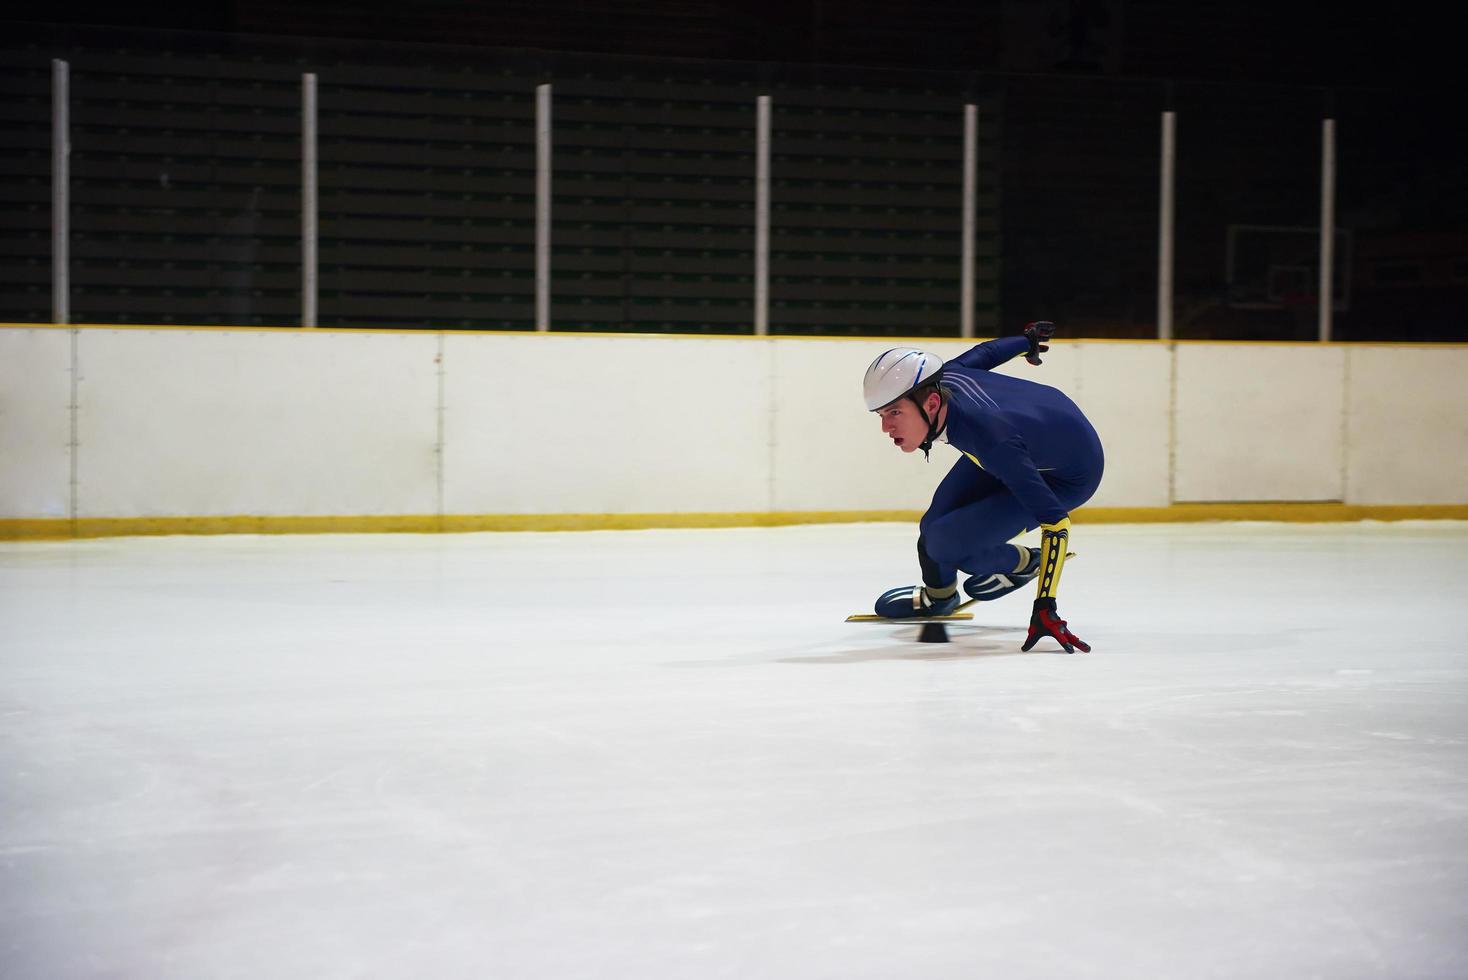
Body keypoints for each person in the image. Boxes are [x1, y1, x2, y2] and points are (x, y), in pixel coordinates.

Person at [864, 322, 1103, 652]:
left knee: (954, 545)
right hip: (1026, 442)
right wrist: (1027, 342)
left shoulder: (993, 441)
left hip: (1064, 474)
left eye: (894, 412)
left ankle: (1022, 563)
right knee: (932, 526)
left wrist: (1045, 608)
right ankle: (940, 597)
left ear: (931, 404)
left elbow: (1057, 523)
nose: (886, 427)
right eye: (880, 414)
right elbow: (986, 353)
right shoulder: (944, 379)